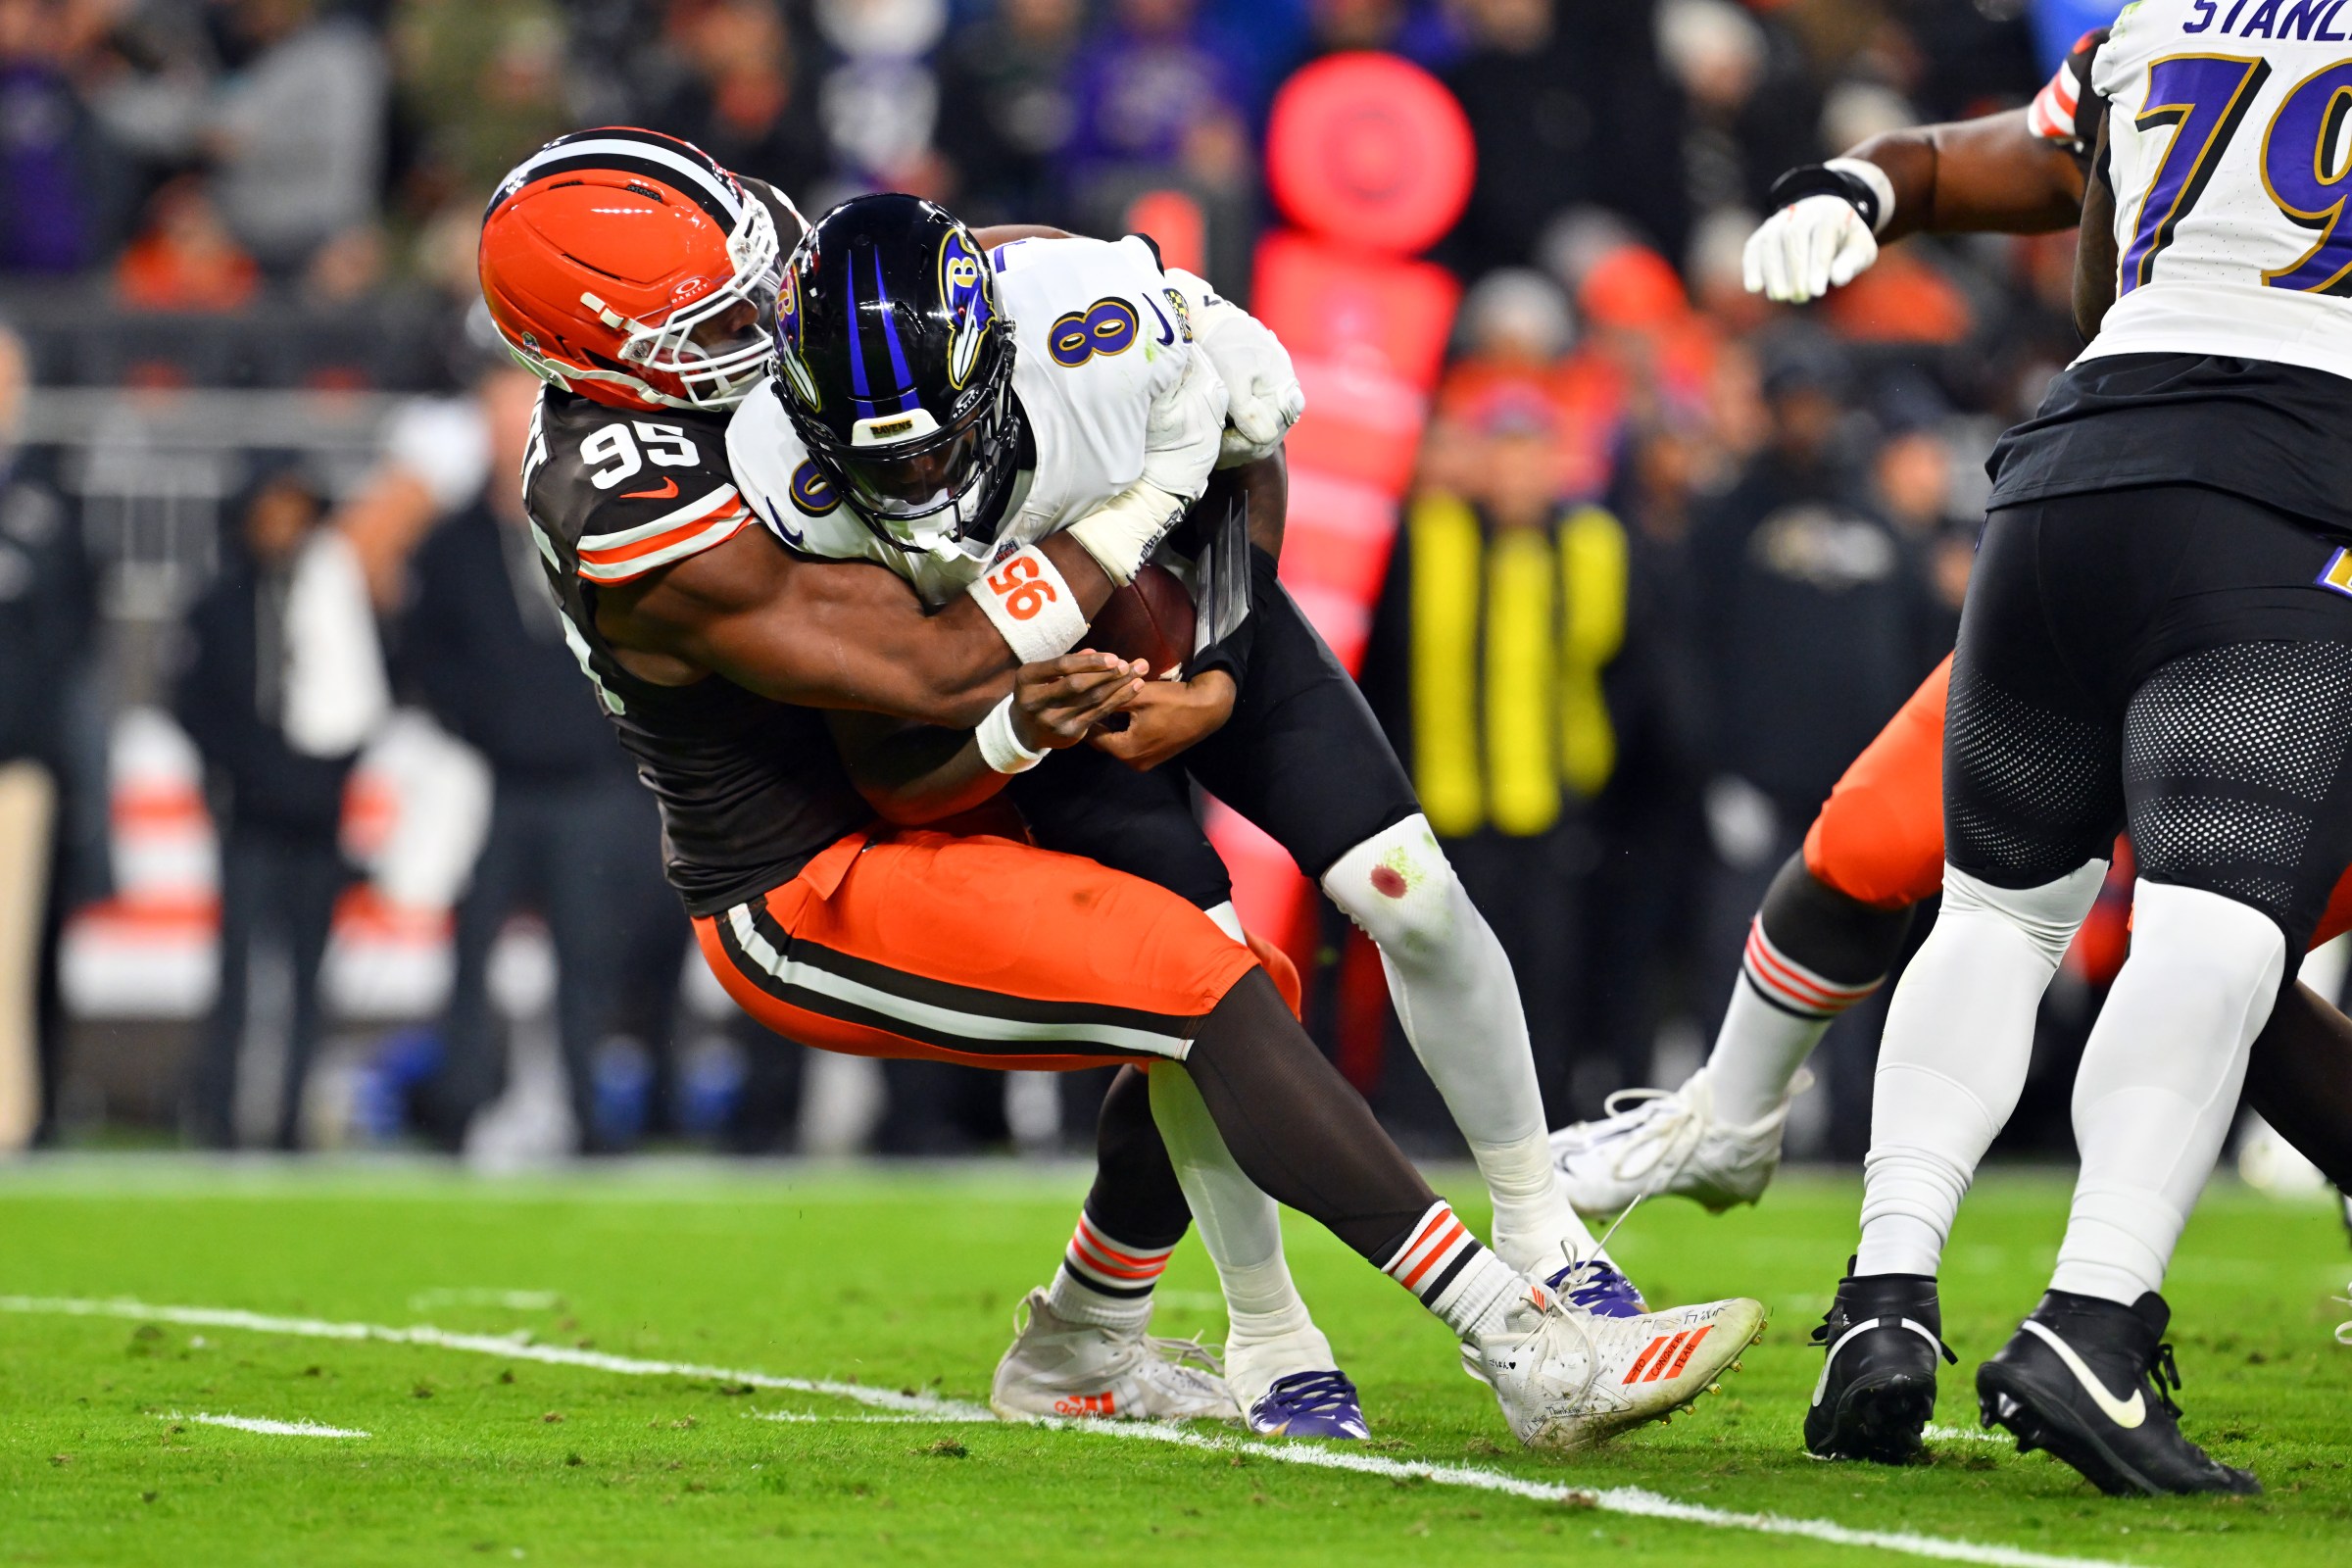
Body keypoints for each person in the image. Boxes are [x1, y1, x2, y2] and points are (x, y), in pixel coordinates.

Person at [478, 133, 1764, 1450]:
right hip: (816, 875)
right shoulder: (634, 503)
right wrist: (1144, 489)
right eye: (716, 323)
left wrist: (1180, 361)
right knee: (1204, 991)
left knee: (1231, 979)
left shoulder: (882, 326)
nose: (764, 323)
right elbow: (929, 675)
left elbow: (1150, 374)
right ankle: (1525, 1343)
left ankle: (1083, 1344)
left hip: (959, 766)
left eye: (756, 280)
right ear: (593, 358)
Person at [1551, 29, 2352, 1224]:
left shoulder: (2163, 24)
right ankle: (1728, 1111)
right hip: (2142, 487)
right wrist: (1862, 180)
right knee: (1876, 847)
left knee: (2221, 949)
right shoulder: (2158, 31)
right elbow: (2007, 162)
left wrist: (1874, 180)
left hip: (2294, 533)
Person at [1791, 8, 2352, 1495]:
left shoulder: (2154, 20)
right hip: (2288, 488)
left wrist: (1865, 183)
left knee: (1995, 915)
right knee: (2213, 927)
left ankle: (1883, 1297)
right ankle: (2096, 1317)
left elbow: (2095, 267)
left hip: (2073, 472)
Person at [399, 362, 675, 1155]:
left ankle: (589, 1116)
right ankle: (459, 1105)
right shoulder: (451, 544)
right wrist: (485, 725)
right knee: (471, 951)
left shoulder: (598, 529)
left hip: (592, 783)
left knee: (589, 959)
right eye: (493, 421)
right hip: (493, 781)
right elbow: (425, 656)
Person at [174, 464, 388, 1149]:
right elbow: (197, 704)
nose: (284, 526)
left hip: (317, 821)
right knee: (237, 975)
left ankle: (292, 1120)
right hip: (249, 819)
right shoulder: (222, 600)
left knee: (305, 980)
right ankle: (221, 1119)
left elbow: (365, 699)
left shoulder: (337, 595)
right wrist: (252, 769)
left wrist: (317, 777)